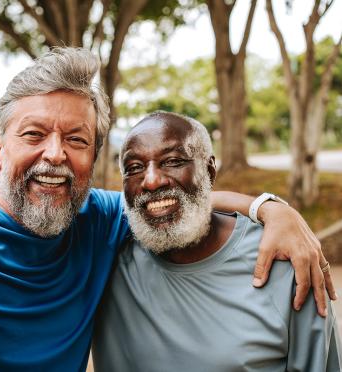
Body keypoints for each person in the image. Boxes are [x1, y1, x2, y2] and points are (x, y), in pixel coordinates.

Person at [0, 48, 335, 372]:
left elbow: (168, 198)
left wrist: (272, 208)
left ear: (95, 157)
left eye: (77, 139)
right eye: (34, 134)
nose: (55, 154)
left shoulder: (99, 219)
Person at [92, 111, 341, 371]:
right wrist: (264, 206)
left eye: (173, 161)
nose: (151, 180)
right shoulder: (102, 251)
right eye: (134, 168)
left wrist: (273, 209)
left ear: (209, 171)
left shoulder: (287, 263)